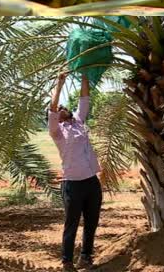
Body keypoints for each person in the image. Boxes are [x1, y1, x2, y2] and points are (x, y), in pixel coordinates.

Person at [49, 71, 102, 271]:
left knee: (91, 222)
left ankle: (86, 257)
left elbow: (84, 98)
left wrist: (85, 74)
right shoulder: (57, 133)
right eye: (60, 109)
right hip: (72, 184)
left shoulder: (79, 121)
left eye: (64, 106)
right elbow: (53, 109)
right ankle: (67, 262)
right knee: (71, 224)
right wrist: (60, 84)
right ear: (57, 118)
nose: (63, 108)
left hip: (92, 181)